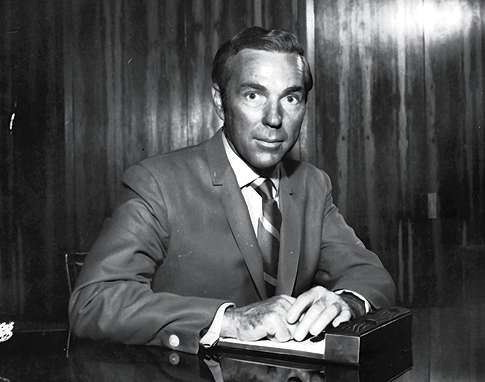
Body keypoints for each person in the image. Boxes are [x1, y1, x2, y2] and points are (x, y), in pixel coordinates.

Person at [68, 26, 395, 355]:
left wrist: (346, 302)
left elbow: (370, 275)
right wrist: (228, 320)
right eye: (254, 95)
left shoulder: (312, 183)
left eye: (291, 98)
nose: (274, 118)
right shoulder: (157, 183)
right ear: (220, 102)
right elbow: (93, 302)